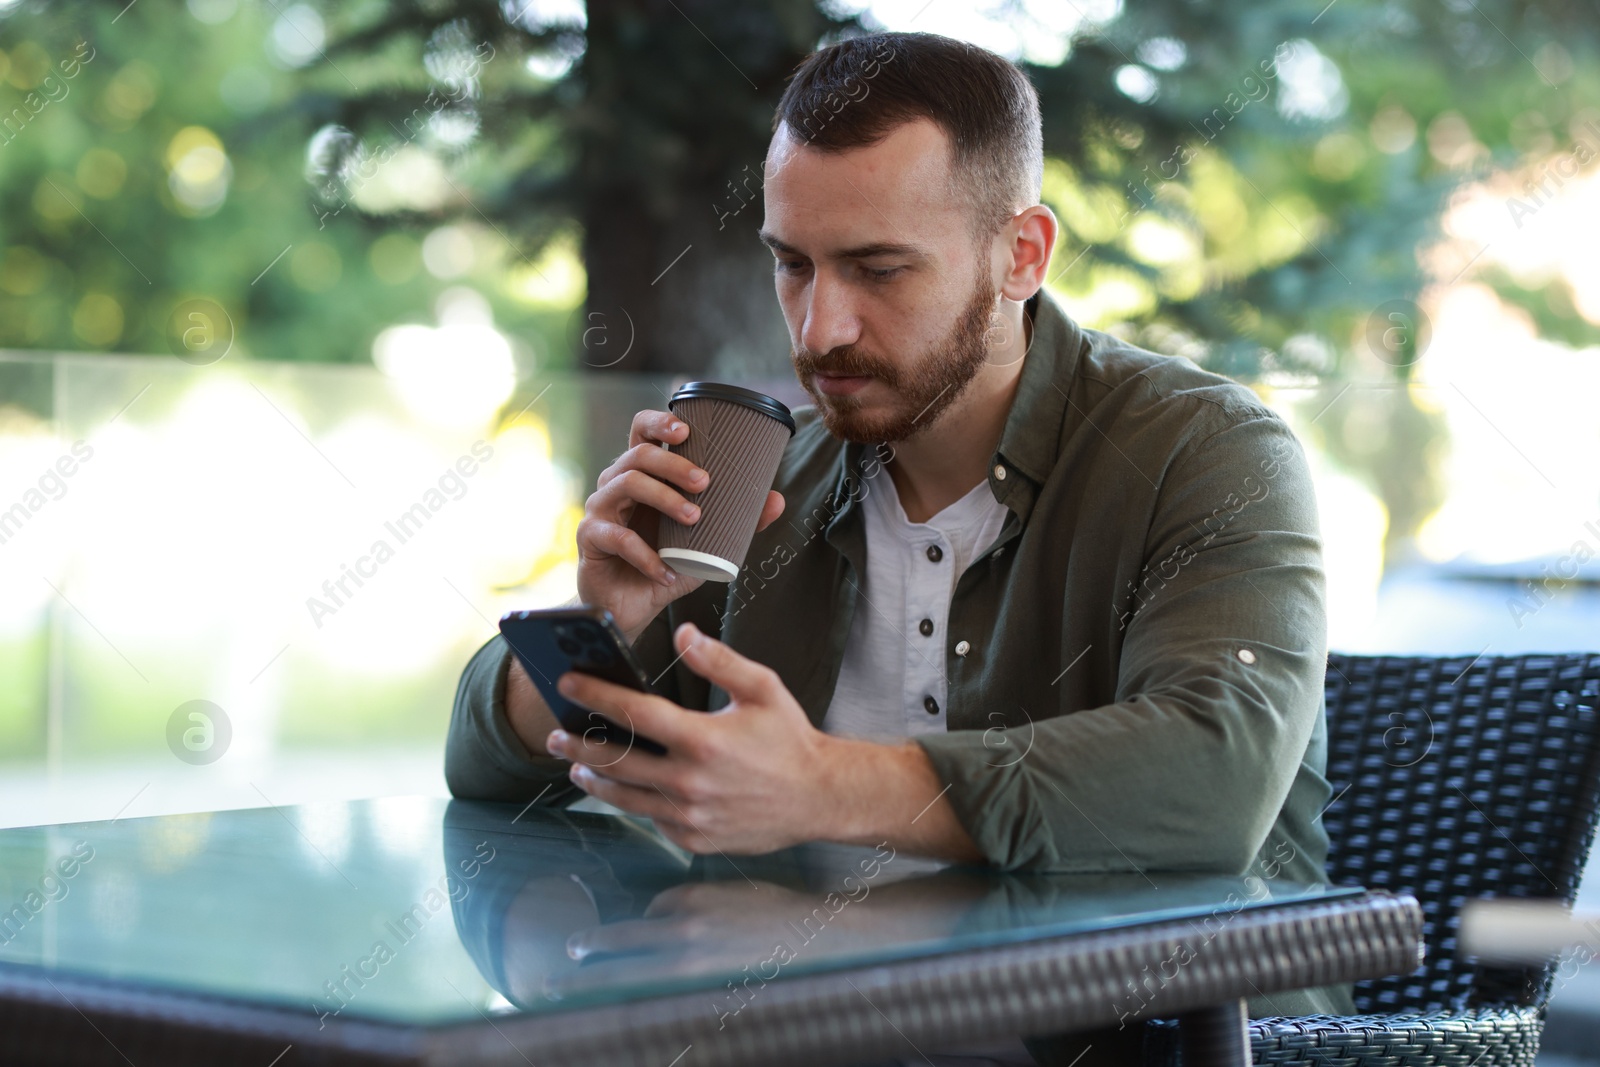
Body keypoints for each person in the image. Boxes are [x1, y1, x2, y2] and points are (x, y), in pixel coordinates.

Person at [445, 30, 1347, 1029]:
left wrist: (825, 788)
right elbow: (479, 761)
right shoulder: (769, 474)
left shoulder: (1204, 449)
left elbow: (1211, 775)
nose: (821, 327)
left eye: (879, 270)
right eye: (793, 265)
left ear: (1021, 254)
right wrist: (607, 620)